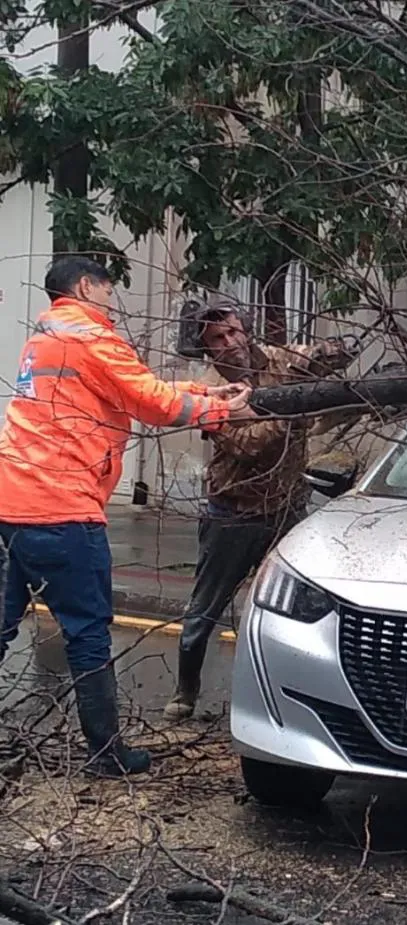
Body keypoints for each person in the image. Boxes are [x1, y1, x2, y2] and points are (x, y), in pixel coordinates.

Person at [0, 257, 253, 777]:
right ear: (86, 286)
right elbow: (150, 402)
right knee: (87, 633)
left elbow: (130, 388)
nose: (111, 303)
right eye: (108, 291)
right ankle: (107, 754)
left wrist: (204, 392)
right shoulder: (92, 336)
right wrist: (223, 411)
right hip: (61, 507)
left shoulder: (46, 338)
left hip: (12, 499)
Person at [163, 302, 356, 720]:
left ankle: (300, 695)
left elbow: (324, 357)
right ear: (206, 349)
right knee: (204, 609)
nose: (230, 342)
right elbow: (249, 445)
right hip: (233, 513)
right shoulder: (209, 393)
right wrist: (292, 411)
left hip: (287, 509)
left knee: (304, 606)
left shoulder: (278, 360)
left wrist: (334, 351)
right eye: (218, 338)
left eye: (234, 331)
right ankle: (185, 692)